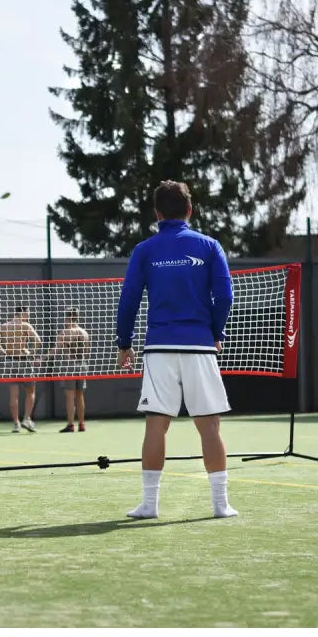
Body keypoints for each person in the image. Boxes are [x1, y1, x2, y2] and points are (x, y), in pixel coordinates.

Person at [116, 180, 238, 519]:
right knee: (209, 425)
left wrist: (123, 343)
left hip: (159, 348)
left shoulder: (144, 250)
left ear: (156, 213)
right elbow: (224, 297)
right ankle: (220, 505)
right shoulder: (210, 246)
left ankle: (150, 506)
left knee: (156, 425)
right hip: (200, 346)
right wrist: (216, 332)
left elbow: (128, 301)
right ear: (190, 210)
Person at [0, 305, 43, 432]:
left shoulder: (5, 326)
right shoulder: (25, 325)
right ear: (23, 313)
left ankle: (16, 423)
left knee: (13, 395)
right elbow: (38, 341)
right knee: (30, 391)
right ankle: (26, 419)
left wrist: (3, 352)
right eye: (28, 313)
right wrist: (30, 352)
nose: (29, 316)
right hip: (23, 361)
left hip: (10, 361)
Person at [46, 306, 90, 432]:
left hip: (70, 365)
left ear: (68, 317)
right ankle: (82, 424)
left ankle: (71, 424)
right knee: (80, 395)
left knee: (70, 396)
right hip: (82, 364)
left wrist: (42, 358)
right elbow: (86, 351)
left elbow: (56, 350)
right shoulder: (85, 333)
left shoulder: (65, 332)